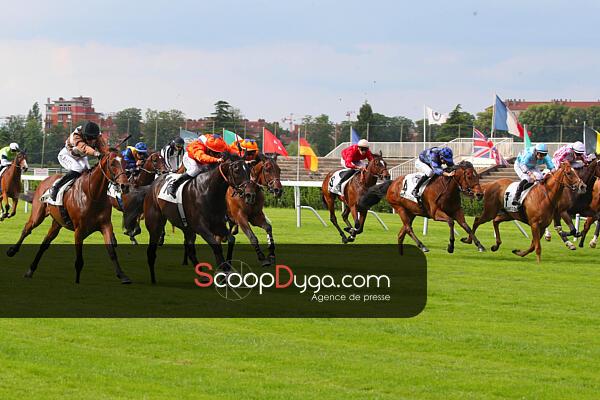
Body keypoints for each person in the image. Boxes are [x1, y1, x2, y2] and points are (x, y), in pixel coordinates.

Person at [51, 122, 108, 201]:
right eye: (89, 138)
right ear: (84, 135)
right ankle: (56, 187)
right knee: (77, 168)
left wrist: (108, 154)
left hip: (80, 157)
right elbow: (84, 148)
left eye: (94, 138)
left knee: (88, 171)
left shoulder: (97, 136)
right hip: (66, 155)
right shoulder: (75, 136)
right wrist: (96, 153)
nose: (92, 141)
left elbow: (104, 149)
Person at [167, 133, 229, 197]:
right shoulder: (198, 146)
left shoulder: (219, 143)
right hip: (191, 157)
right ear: (208, 148)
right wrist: (216, 159)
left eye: (218, 152)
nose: (217, 154)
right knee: (195, 170)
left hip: (203, 161)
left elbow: (230, 149)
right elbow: (202, 157)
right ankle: (174, 185)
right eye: (215, 152)